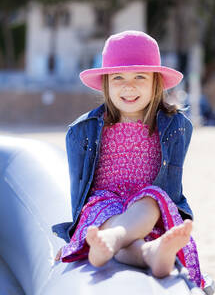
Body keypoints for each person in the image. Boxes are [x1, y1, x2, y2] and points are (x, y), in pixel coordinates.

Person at [52, 30, 204, 288]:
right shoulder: (84, 130)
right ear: (106, 84)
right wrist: (72, 236)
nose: (128, 85)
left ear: (156, 82)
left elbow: (172, 188)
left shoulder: (173, 127)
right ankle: (148, 252)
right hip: (105, 205)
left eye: (140, 77)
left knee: (151, 200)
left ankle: (125, 243)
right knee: (106, 221)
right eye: (118, 77)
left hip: (145, 208)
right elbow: (79, 192)